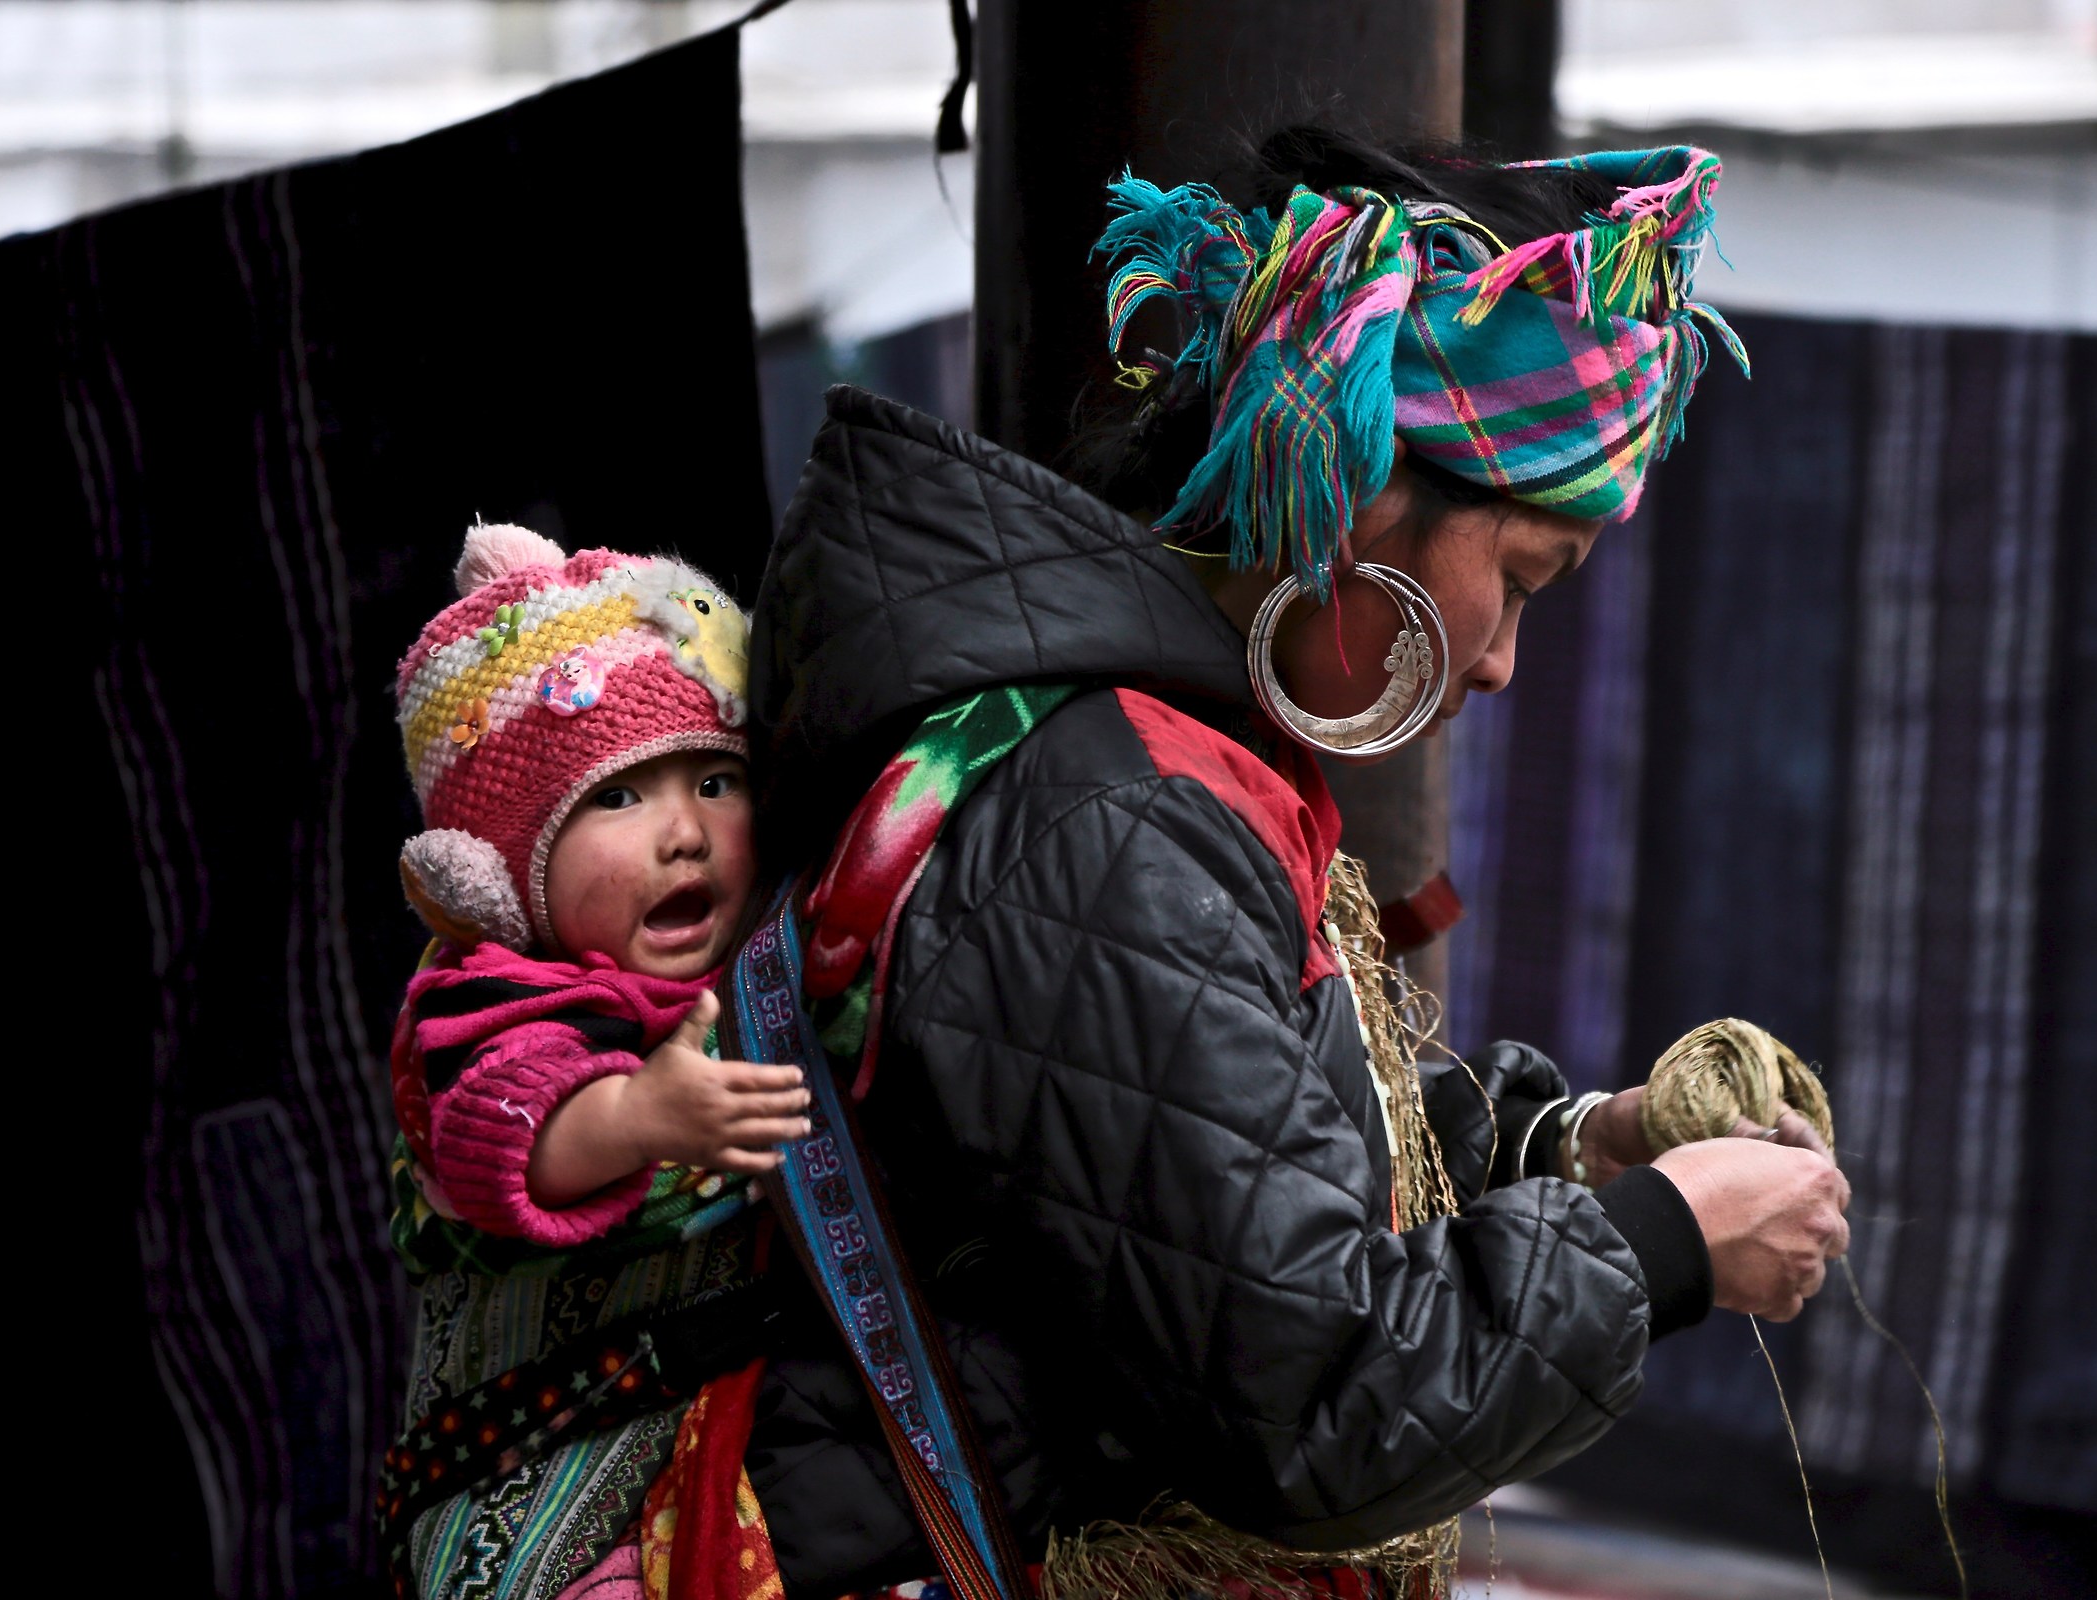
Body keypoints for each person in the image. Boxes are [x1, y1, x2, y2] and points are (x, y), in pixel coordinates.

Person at [738, 132, 1853, 1592]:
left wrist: (1570, 1148)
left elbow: (1203, 1183)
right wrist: (1661, 1245)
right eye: (1518, 580)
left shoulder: (1141, 760)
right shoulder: (1107, 813)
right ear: (1368, 491)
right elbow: (1313, 1389)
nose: (1508, 662)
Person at [381, 522, 807, 1600]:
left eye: (716, 779)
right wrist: (635, 1118)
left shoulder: (777, 959)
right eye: (618, 797)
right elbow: (493, 1131)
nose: (686, 833)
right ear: (502, 876)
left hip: (713, 1457)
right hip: (535, 1463)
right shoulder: (489, 992)